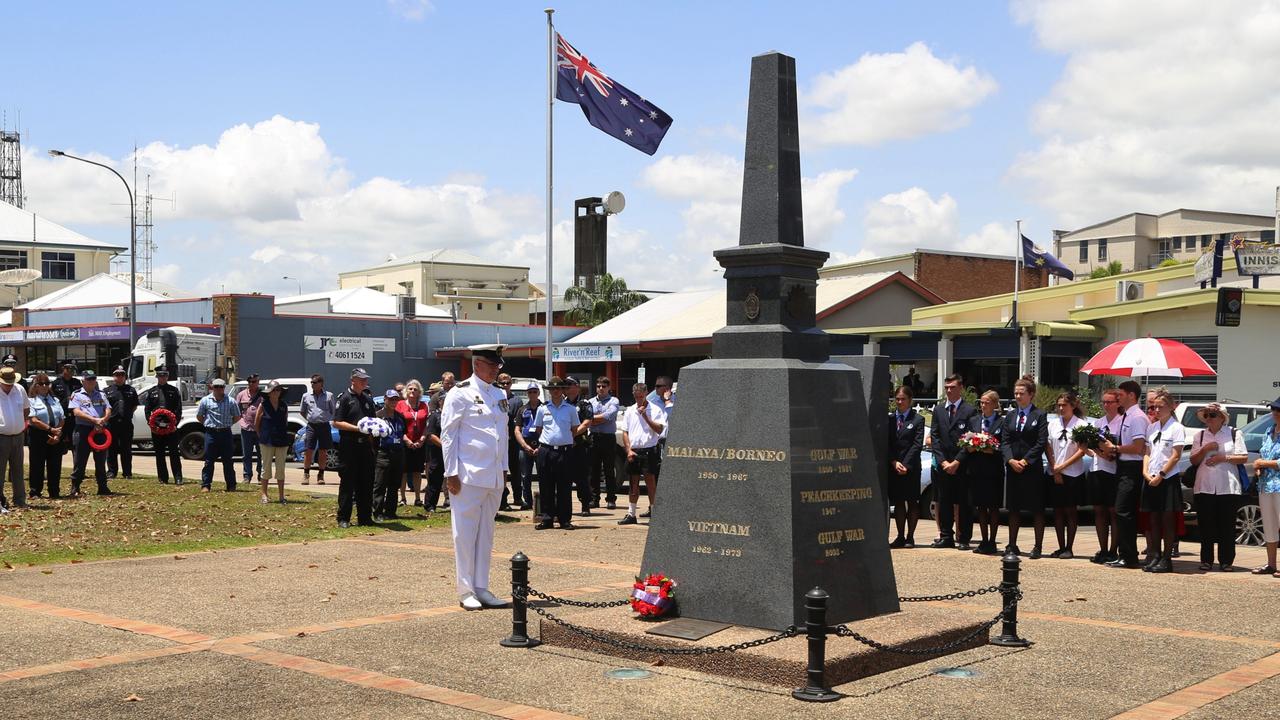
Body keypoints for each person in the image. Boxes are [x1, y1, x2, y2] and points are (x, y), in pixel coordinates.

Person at [440, 344, 511, 610]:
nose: (496, 370)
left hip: (493, 476)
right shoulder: (460, 394)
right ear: (477, 364)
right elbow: (449, 435)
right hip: (468, 474)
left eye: (498, 366)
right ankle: (465, 589)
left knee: (486, 534)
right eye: (492, 365)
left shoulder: (497, 394)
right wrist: (451, 473)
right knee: (465, 533)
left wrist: (503, 468)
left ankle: (482, 586)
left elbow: (501, 434)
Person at [1189, 402, 1247, 572]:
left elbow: (1243, 457)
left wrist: (1223, 458)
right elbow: (1193, 460)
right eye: (1206, 415)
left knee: (1226, 525)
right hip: (1204, 485)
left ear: (1222, 417)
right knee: (1206, 525)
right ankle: (1206, 560)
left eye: (1212, 415)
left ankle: (1226, 561)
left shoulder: (1234, 433)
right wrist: (1205, 448)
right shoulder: (1199, 436)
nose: (1209, 419)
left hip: (1227, 486)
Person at [1102, 380, 1149, 569]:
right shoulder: (1126, 416)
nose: (1118, 397)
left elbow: (1138, 447)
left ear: (1131, 395)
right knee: (1121, 511)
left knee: (1124, 511)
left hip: (1132, 468)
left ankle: (1129, 556)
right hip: (1123, 466)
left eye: (1120, 394)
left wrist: (1116, 447)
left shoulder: (1137, 417)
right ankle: (1125, 553)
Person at [1002, 375, 1048, 557]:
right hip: (1013, 468)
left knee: (1037, 508)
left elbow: (1041, 441)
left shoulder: (1040, 415)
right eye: (1016, 393)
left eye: (1022, 393)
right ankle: (1012, 544)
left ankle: (1038, 546)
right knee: (1013, 508)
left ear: (1031, 395)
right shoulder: (1010, 416)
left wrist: (1026, 460)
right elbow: (1004, 441)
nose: (1018, 397)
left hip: (1032, 469)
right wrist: (1010, 460)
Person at [930, 374, 977, 549]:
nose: (949, 390)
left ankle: (964, 537)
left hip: (962, 465)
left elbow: (971, 439)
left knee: (964, 502)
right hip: (944, 465)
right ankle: (946, 536)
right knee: (945, 501)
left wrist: (957, 462)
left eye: (953, 387)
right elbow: (935, 437)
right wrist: (943, 462)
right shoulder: (939, 410)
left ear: (961, 388)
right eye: (947, 387)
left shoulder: (969, 410)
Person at [1141, 388, 1183, 573]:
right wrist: (1145, 472)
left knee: (1167, 520)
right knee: (1153, 519)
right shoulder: (1152, 427)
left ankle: (1167, 558)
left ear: (1171, 407)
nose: (1156, 410)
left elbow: (1175, 455)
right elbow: (1147, 453)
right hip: (1151, 478)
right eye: (1154, 407)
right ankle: (1155, 554)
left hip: (1167, 478)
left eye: (1161, 406)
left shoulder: (1176, 428)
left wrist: (1162, 475)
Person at [961, 389, 1006, 555]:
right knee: (980, 506)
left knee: (993, 507)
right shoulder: (973, 421)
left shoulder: (1002, 422)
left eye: (987, 402)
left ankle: (992, 541)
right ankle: (984, 539)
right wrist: (969, 446)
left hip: (993, 470)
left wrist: (992, 449)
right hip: (976, 469)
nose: (983, 405)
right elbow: (965, 439)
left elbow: (1004, 444)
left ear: (994, 404)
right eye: (981, 402)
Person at [534, 377, 581, 530]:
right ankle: (547, 518)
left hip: (564, 452)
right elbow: (539, 429)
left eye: (558, 389)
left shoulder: (571, 409)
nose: (555, 391)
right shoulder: (543, 409)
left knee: (564, 487)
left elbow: (574, 430)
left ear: (563, 391)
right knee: (546, 486)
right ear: (549, 391)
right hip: (546, 451)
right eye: (552, 389)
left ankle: (564, 519)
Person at [332, 368, 378, 528]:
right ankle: (343, 518)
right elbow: (336, 422)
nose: (365, 382)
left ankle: (365, 517)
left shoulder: (367, 399)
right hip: (349, 446)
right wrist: (357, 428)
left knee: (365, 482)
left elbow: (373, 421)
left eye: (366, 379)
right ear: (353, 380)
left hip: (365, 446)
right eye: (362, 379)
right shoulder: (344, 398)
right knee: (347, 483)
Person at [618, 382, 666, 526]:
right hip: (635, 451)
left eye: (641, 396)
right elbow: (625, 431)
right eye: (636, 396)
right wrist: (628, 449)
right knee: (633, 484)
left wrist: (646, 417)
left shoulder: (655, 409)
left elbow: (659, 429)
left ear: (645, 394)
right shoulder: (630, 410)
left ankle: (654, 512)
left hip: (649, 450)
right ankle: (631, 513)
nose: (639, 399)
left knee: (651, 483)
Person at [1047, 391, 1087, 559]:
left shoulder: (1081, 425)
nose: (1061, 408)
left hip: (1073, 473)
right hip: (1055, 471)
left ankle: (1069, 547)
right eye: (1059, 405)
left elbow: (1082, 450)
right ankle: (1060, 546)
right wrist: (1054, 467)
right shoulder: (1053, 424)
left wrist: (1063, 466)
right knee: (1057, 511)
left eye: (1065, 405)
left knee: (1070, 511)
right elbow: (1048, 446)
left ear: (1073, 406)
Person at [1088, 389, 1123, 564]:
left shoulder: (1121, 423)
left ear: (1118, 403)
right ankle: (1103, 548)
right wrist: (1100, 453)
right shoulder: (1098, 423)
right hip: (1097, 469)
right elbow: (1092, 445)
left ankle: (1113, 549)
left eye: (1110, 402)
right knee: (1099, 511)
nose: (1106, 405)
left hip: (1113, 471)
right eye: (1104, 402)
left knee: (1113, 511)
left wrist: (1108, 454)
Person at [887, 385, 924, 548]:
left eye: (903, 399)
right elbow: (886, 443)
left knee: (912, 502)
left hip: (911, 467)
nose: (900, 402)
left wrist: (906, 465)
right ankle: (900, 536)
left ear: (910, 400)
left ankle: (910, 536)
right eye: (898, 399)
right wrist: (894, 461)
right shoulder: (889, 419)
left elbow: (917, 445)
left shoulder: (918, 419)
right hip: (894, 466)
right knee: (899, 502)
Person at [69, 370, 111, 496]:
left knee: (100, 460)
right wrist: (94, 420)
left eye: (93, 379)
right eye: (89, 379)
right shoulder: (76, 395)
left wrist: (102, 420)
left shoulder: (101, 394)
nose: (92, 382)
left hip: (100, 430)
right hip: (83, 429)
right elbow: (76, 412)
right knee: (80, 460)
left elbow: (108, 408)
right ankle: (75, 487)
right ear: (83, 381)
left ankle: (102, 487)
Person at [1251, 397, 1280, 578]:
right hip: (1265, 485)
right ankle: (1271, 564)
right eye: (1274, 410)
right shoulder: (1269, 431)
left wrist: (1264, 463)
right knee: (1269, 525)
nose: (1276, 413)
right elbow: (1263, 454)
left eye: (1278, 410)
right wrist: (1259, 467)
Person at [197, 378, 240, 492]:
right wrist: (207, 424)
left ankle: (231, 485)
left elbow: (237, 416)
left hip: (226, 433)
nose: (218, 389)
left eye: (221, 387)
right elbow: (200, 416)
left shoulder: (231, 401)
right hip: (211, 433)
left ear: (224, 388)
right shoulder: (205, 400)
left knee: (228, 461)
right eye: (216, 387)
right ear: (212, 388)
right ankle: (206, 485)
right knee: (208, 461)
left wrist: (228, 424)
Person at [27, 372, 66, 500]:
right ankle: (35, 491)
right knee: (37, 464)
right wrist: (50, 429)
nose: (44, 386)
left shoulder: (55, 400)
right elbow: (33, 420)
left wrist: (57, 432)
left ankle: (54, 491)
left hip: (55, 434)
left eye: (47, 383)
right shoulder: (31, 401)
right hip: (38, 434)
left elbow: (62, 417)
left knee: (55, 464)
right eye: (41, 384)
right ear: (36, 385)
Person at [145, 367, 184, 485]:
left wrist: (174, 424)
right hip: (157, 428)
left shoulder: (174, 391)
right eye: (160, 376)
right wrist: (151, 425)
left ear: (167, 377)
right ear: (157, 377)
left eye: (165, 376)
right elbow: (147, 410)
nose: (162, 378)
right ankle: (163, 478)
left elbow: (178, 409)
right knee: (159, 454)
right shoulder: (152, 391)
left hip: (171, 427)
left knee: (174, 453)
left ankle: (178, 477)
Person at [587, 376, 621, 510]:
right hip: (594, 437)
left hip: (608, 438)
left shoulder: (614, 401)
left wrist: (592, 419)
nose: (601, 388)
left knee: (609, 470)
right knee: (594, 470)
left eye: (604, 386)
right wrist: (595, 419)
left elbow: (609, 416)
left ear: (609, 388)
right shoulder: (590, 401)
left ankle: (611, 499)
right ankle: (594, 499)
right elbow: (586, 418)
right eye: (599, 386)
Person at [373, 388, 407, 522]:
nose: (393, 402)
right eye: (391, 399)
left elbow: (402, 432)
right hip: (383, 452)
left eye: (395, 399)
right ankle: (377, 512)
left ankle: (391, 511)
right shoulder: (378, 416)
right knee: (380, 484)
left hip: (398, 452)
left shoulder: (400, 417)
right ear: (385, 400)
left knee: (394, 484)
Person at [255, 380, 291, 504]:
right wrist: (262, 437)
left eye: (278, 390)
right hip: (267, 440)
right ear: (269, 392)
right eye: (274, 390)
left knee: (281, 469)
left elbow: (285, 421)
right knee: (266, 468)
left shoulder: (283, 405)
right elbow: (257, 424)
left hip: (282, 440)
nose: (276, 392)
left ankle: (281, 496)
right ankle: (264, 495)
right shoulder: (263, 405)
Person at [564, 376, 595, 517]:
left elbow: (588, 421)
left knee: (582, 477)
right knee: (565, 477)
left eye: (570, 384)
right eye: (566, 384)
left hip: (580, 445)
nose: (567, 387)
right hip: (565, 445)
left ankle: (585, 505)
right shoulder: (562, 403)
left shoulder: (584, 403)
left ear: (577, 386)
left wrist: (574, 433)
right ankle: (565, 507)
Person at [397, 379, 429, 509]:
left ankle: (417, 498)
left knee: (417, 471)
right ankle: (402, 498)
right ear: (406, 391)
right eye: (410, 388)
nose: (412, 391)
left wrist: (422, 439)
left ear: (419, 392)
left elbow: (427, 424)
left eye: (415, 389)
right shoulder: (400, 404)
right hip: (404, 442)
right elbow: (398, 425)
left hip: (419, 443)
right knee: (403, 471)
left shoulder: (423, 405)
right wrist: (407, 440)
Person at [0, 366, 29, 508]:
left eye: (11, 382)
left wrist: (18, 424)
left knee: (18, 470)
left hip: (18, 435)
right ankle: (0, 501)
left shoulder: (20, 389)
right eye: (6, 383)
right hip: (1, 436)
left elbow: (26, 409)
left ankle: (20, 500)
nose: (9, 385)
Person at [493, 373, 523, 512]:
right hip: (498, 442)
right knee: (500, 471)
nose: (505, 385)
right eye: (502, 383)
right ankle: (502, 500)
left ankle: (518, 497)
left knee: (516, 470)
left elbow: (518, 421)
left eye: (507, 383)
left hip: (513, 442)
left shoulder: (516, 401)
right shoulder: (494, 398)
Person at [104, 366, 139, 481]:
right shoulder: (107, 391)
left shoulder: (131, 390)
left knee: (126, 449)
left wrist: (126, 415)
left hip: (126, 424)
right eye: (117, 375)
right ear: (113, 376)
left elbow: (134, 406)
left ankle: (127, 472)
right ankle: (112, 472)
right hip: (111, 424)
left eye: (122, 375)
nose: (119, 377)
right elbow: (104, 407)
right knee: (111, 449)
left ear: (125, 377)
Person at [300, 374, 334, 486]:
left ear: (321, 383)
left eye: (315, 382)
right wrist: (310, 419)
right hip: (311, 426)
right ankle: (306, 474)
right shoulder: (306, 396)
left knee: (323, 451)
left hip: (324, 426)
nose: (312, 384)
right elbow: (302, 411)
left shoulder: (329, 396)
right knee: (308, 450)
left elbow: (332, 410)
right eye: (312, 382)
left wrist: (325, 418)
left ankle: (321, 475)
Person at [513, 385, 542, 511]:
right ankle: (527, 501)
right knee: (525, 476)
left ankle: (544, 501)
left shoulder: (545, 408)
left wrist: (541, 447)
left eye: (535, 391)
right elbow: (517, 429)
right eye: (530, 392)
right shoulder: (522, 409)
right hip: (525, 446)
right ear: (527, 394)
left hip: (542, 446)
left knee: (544, 475)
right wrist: (525, 446)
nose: (532, 394)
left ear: (539, 392)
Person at [236, 374, 263, 485]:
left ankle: (261, 475)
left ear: (258, 382)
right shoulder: (241, 395)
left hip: (260, 429)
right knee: (246, 454)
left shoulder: (263, 395)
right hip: (246, 428)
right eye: (250, 382)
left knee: (261, 453)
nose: (252, 383)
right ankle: (247, 476)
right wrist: (241, 422)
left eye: (254, 381)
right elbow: (236, 410)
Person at [51, 363, 82, 454]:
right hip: (61, 417)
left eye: (72, 370)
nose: (70, 372)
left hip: (74, 417)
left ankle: (77, 466)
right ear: (63, 369)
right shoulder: (56, 383)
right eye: (68, 369)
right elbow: (52, 399)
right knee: (58, 443)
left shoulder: (77, 382)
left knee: (75, 444)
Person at [423, 392, 446, 512]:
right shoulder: (434, 416)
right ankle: (430, 505)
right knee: (435, 479)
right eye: (444, 400)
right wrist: (445, 446)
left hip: (452, 453)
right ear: (440, 401)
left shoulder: (453, 415)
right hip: (437, 452)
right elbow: (430, 435)